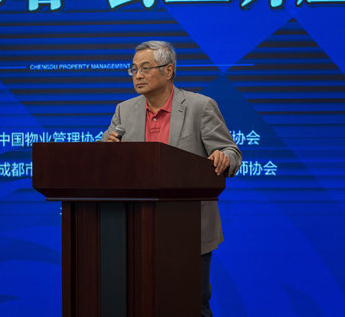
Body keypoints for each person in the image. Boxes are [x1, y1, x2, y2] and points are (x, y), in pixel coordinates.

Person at [102, 40, 242, 317]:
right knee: (138, 304)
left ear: (168, 70)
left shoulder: (200, 106)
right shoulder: (124, 110)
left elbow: (231, 151)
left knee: (191, 305)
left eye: (145, 68)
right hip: (135, 226)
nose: (137, 75)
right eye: (133, 69)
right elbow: (104, 153)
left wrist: (224, 157)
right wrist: (106, 151)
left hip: (188, 226)